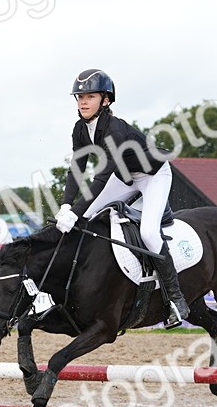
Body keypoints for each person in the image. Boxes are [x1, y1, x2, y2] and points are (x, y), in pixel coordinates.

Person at [56, 68, 189, 328]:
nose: (83, 102)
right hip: (124, 174)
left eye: (90, 96)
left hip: (153, 175)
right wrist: (65, 205)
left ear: (105, 100)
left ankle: (175, 299)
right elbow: (77, 169)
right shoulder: (80, 130)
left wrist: (75, 210)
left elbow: (101, 176)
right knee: (87, 217)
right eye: (79, 97)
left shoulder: (114, 130)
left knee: (150, 234)